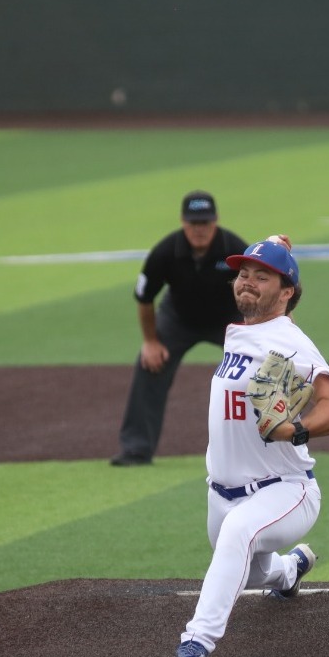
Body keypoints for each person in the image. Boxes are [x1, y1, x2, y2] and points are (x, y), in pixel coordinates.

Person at [175, 236, 329, 657]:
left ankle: (195, 644)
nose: (247, 282)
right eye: (243, 274)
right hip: (222, 495)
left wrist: (297, 429)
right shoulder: (245, 331)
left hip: (286, 489)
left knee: (240, 534)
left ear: (287, 291)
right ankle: (289, 570)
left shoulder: (291, 344)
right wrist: (272, 247)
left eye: (262, 276)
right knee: (252, 569)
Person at [110, 190, 249, 466]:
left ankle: (270, 442)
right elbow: (144, 297)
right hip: (179, 319)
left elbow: (260, 286)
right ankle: (136, 449)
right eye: (194, 223)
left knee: (263, 366)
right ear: (183, 222)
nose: (199, 230)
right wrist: (150, 341)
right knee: (150, 364)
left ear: (216, 221)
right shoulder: (165, 251)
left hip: (229, 320)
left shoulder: (234, 247)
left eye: (205, 223)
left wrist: (257, 328)